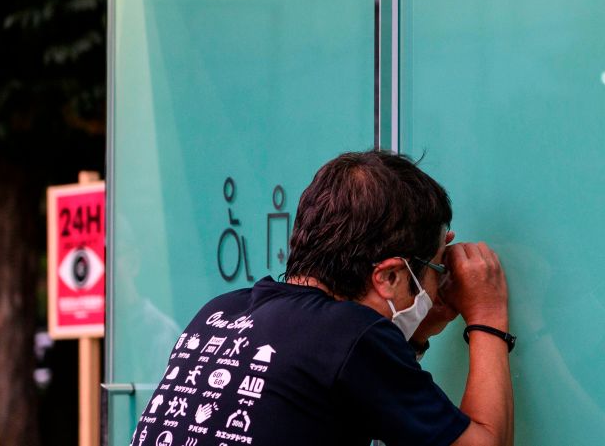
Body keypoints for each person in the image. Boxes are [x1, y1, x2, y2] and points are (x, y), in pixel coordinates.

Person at [129, 150, 514, 446]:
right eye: (436, 268)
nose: (439, 283)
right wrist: (487, 314)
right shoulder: (351, 336)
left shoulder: (220, 311)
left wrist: (417, 325)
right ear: (390, 276)